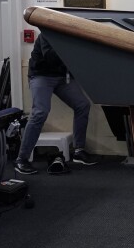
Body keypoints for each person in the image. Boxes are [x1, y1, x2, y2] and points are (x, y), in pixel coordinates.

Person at [13, 33, 99, 175]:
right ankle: (21, 159)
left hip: (62, 78)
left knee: (82, 105)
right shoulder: (46, 34)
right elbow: (51, 56)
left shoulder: (72, 36)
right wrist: (73, 52)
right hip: (41, 76)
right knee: (40, 112)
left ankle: (79, 151)